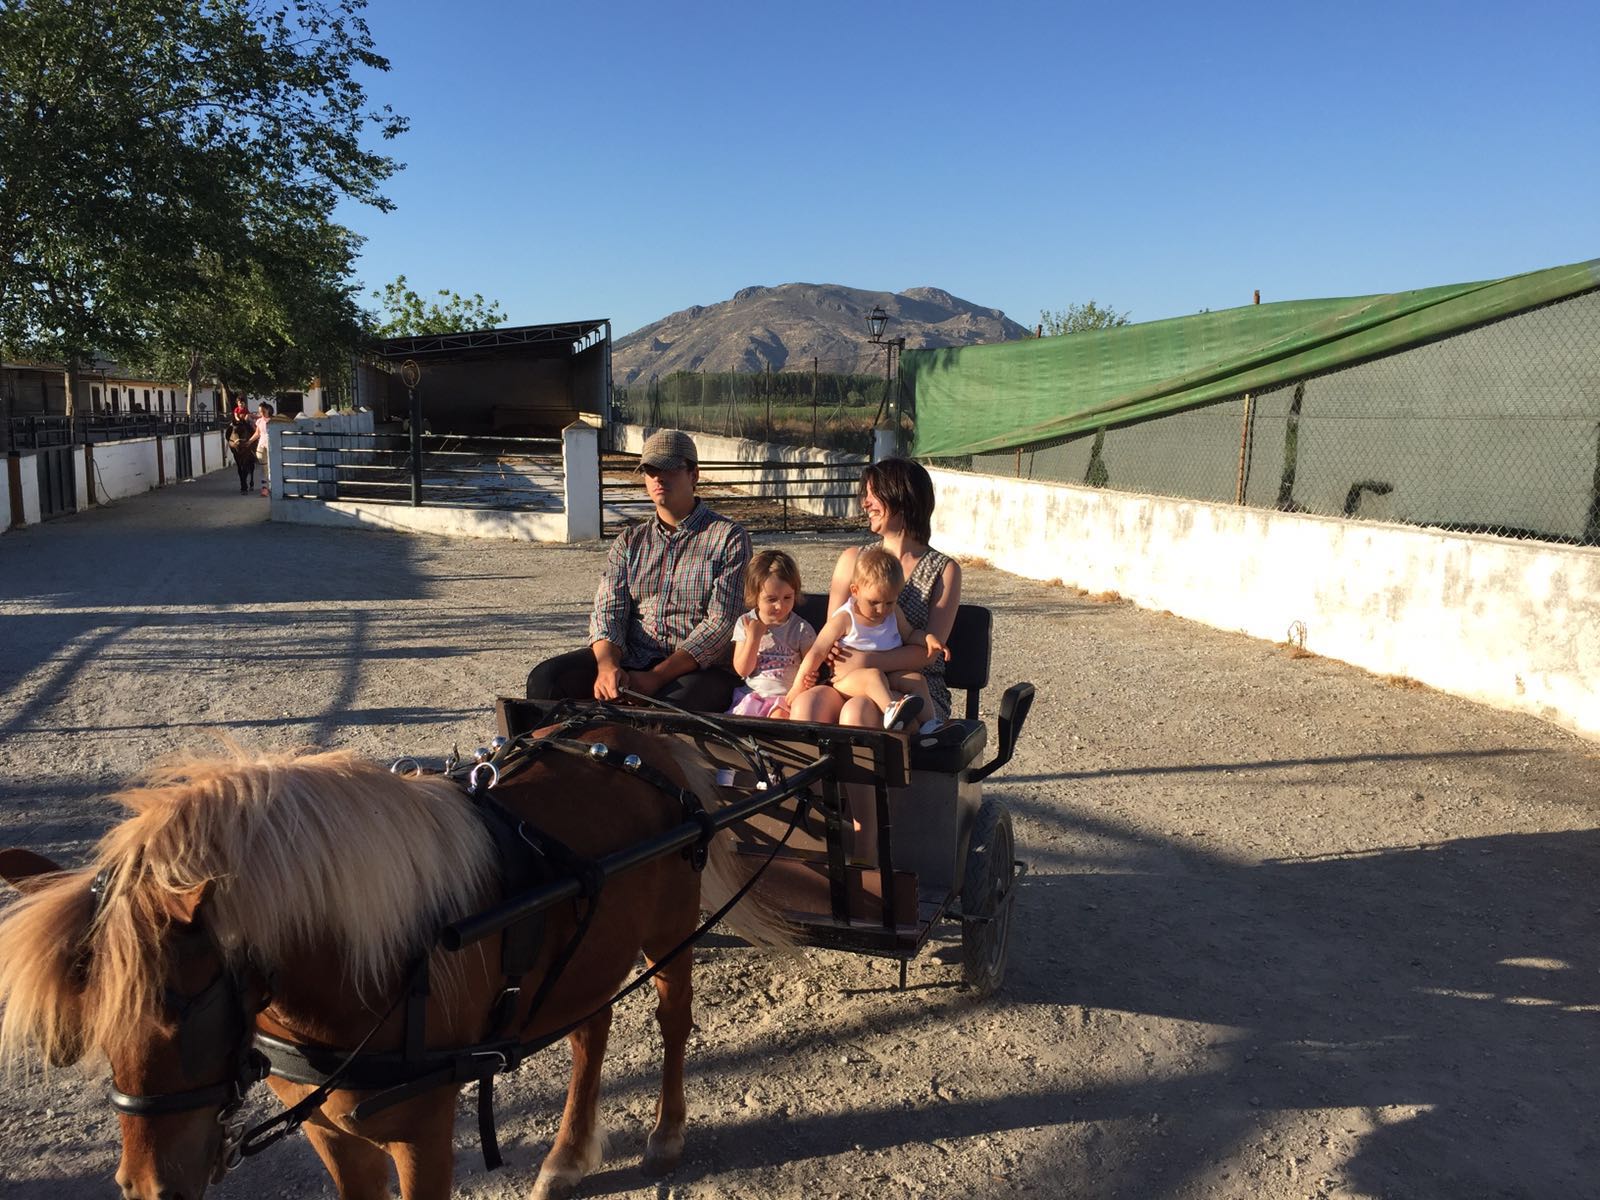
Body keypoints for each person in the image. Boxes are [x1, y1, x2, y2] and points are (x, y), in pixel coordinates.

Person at [525, 429, 751, 711]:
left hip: (697, 667)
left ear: (694, 475)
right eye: (651, 469)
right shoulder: (630, 541)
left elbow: (720, 623)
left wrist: (657, 676)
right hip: (632, 657)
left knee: (669, 708)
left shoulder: (728, 538)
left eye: (670, 468)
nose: (658, 477)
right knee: (545, 680)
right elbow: (609, 609)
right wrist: (608, 666)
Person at [788, 458, 962, 732]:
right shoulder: (853, 560)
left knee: (858, 712)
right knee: (806, 707)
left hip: (911, 687)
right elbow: (834, 634)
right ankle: (809, 776)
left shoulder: (943, 570)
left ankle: (858, 775)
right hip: (848, 679)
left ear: (901, 496)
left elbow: (927, 654)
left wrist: (868, 661)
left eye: (873, 494)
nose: (865, 503)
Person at [784, 546, 946, 729]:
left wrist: (927, 639)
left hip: (887, 679)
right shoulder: (845, 618)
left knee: (917, 680)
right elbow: (818, 651)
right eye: (874, 602)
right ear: (855, 591)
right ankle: (891, 711)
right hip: (848, 682)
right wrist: (798, 685)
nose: (881, 609)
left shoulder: (894, 614)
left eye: (889, 602)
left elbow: (909, 634)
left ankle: (931, 727)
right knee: (872, 676)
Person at [727, 550, 816, 718]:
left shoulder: (801, 628)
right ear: (755, 595)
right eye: (771, 599)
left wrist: (808, 679)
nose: (779, 606)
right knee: (742, 722)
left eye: (787, 597)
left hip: (785, 697)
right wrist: (753, 638)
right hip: (753, 695)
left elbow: (812, 664)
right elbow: (742, 670)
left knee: (779, 720)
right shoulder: (745, 623)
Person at [227, 410, 256, 492]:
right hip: (237, 422)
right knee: (229, 430)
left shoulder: (245, 409)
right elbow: (236, 416)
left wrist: (245, 419)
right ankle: (229, 441)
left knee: (253, 429)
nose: (241, 404)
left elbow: (247, 416)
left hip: (245, 422)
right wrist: (238, 420)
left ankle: (254, 445)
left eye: (242, 402)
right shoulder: (236, 409)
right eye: (240, 402)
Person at [253, 401, 274, 496]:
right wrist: (249, 441)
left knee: (271, 467)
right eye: (259, 411)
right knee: (263, 468)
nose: (261, 413)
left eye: (262, 411)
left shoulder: (274, 421)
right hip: (261, 445)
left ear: (267, 409)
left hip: (272, 445)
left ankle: (272, 486)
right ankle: (264, 488)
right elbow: (257, 433)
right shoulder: (259, 421)